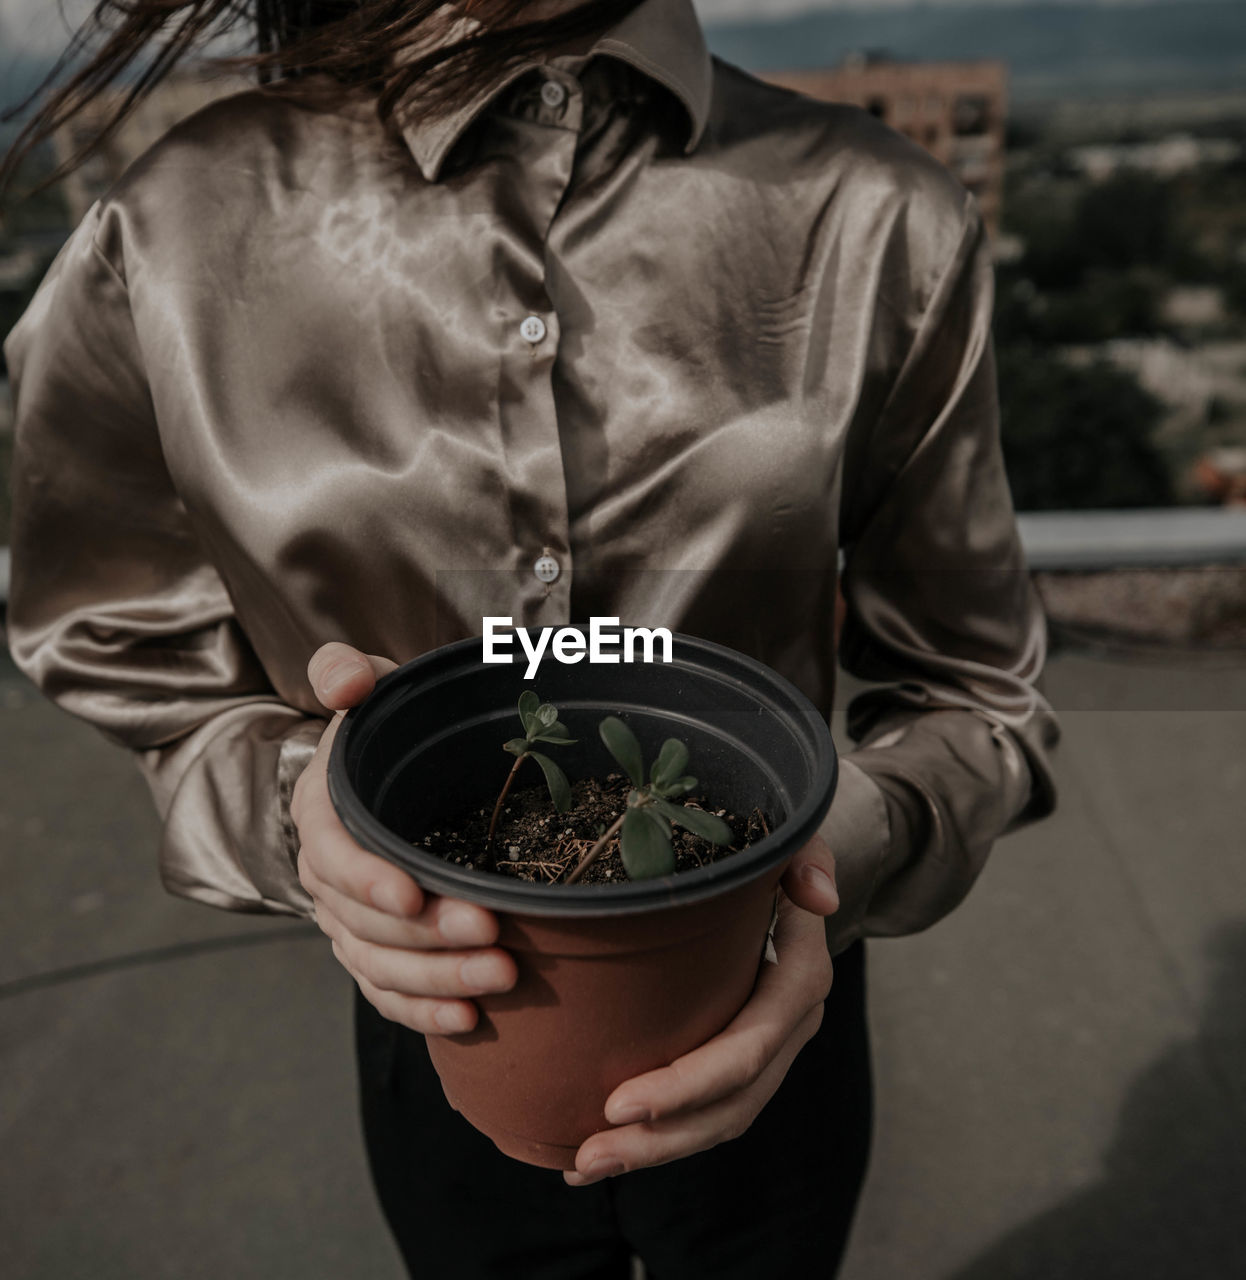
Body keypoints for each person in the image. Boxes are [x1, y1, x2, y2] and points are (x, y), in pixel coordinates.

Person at [3, 0, 1059, 1275]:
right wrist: (307, 815)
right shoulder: (174, 227)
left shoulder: (875, 210)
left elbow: (976, 689)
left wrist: (842, 843)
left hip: (780, 987)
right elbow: (121, 644)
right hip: (436, 1020)